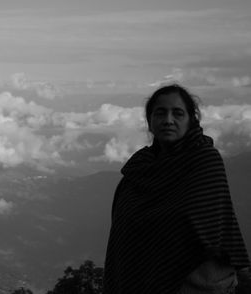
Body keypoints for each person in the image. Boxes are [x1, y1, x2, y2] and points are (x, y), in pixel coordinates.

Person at [104, 84, 249, 293]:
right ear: (150, 121)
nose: (168, 120)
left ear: (191, 120)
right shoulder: (139, 169)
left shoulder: (205, 161)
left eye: (178, 113)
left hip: (199, 284)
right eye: (160, 113)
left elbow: (209, 226)